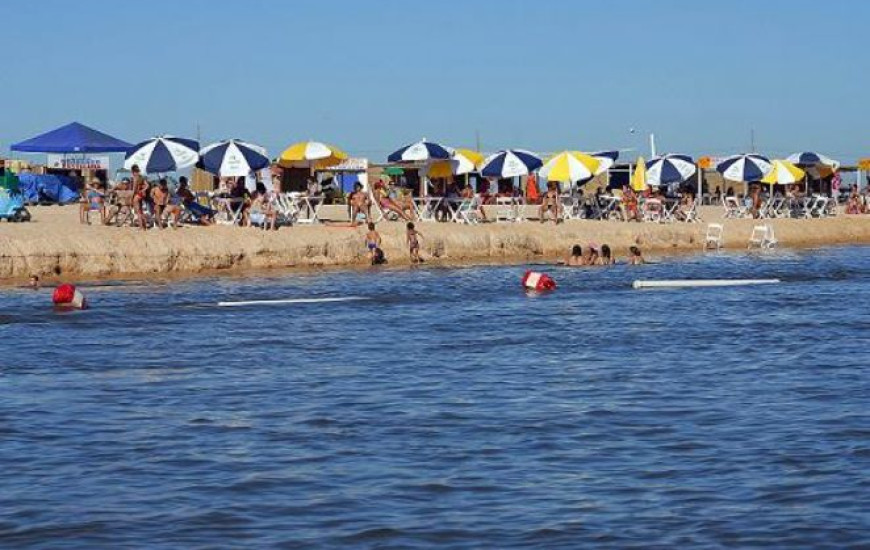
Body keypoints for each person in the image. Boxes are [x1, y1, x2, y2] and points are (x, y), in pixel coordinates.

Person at [130, 165, 150, 230]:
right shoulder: (141, 177)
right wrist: (143, 190)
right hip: (141, 195)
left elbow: (134, 189)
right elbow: (147, 185)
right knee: (141, 211)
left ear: (133, 171)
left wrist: (131, 198)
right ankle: (144, 226)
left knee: (138, 212)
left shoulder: (135, 178)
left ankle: (141, 227)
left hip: (137, 195)